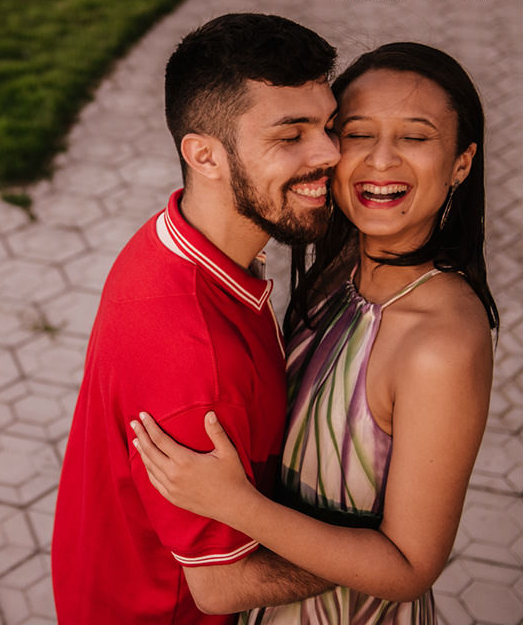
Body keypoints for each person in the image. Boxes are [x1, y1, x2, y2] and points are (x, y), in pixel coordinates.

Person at [132, 42, 499, 624]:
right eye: (357, 133)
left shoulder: (441, 344)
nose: (381, 160)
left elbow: (409, 568)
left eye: (415, 137)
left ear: (461, 162)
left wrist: (234, 505)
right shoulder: (339, 267)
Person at [51, 13, 345, 624]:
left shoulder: (173, 237)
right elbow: (221, 587)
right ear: (204, 155)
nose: (330, 154)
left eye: (329, 125)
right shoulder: (199, 363)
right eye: (290, 136)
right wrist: (382, 556)